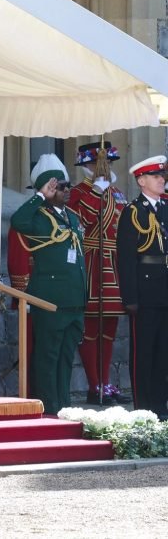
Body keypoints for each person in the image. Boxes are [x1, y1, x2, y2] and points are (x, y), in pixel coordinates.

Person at [10, 154, 86, 416]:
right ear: (47, 188)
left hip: (74, 301)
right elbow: (18, 221)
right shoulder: (38, 217)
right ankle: (48, 407)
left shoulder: (72, 217)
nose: (66, 191)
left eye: (67, 186)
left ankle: (63, 405)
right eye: (59, 187)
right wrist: (40, 196)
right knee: (48, 357)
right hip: (51, 300)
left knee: (66, 357)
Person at [66, 141, 129, 405]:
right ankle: (95, 385)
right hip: (91, 261)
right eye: (96, 165)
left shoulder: (117, 193)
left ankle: (106, 383)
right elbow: (83, 220)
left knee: (109, 329)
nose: (102, 169)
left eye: (106, 164)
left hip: (113, 263)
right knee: (90, 328)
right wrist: (96, 193)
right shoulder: (78, 192)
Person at [115, 155, 168, 418]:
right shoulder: (133, 212)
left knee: (163, 354)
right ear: (141, 180)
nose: (162, 179)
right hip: (145, 292)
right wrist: (130, 298)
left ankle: (161, 407)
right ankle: (144, 409)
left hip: (165, 290)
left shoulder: (166, 207)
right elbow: (125, 258)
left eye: (162, 175)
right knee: (143, 353)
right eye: (156, 176)